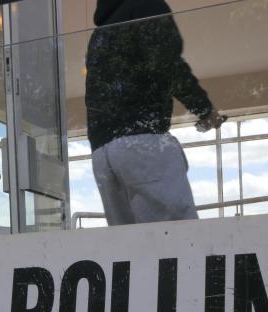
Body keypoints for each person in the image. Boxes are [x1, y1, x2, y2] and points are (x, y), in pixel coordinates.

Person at [86, 0, 225, 226]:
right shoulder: (145, 6)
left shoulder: (99, 34)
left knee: (130, 251)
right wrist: (204, 109)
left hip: (102, 151)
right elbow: (167, 63)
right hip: (141, 141)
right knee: (179, 242)